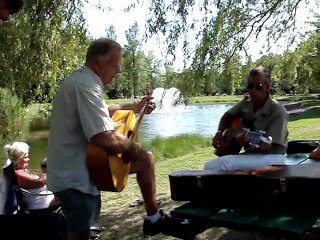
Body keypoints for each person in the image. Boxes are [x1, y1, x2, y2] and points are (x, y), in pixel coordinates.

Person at [46, 38, 186, 240]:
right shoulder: (86, 86)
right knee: (79, 235)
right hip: (73, 178)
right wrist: (132, 148)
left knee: (146, 159)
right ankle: (154, 219)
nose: (118, 71)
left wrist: (135, 108)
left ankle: (153, 219)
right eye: (114, 66)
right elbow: (104, 137)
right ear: (97, 62)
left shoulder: (84, 81)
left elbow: (104, 110)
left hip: (81, 172)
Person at [205, 66, 288, 171]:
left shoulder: (278, 111)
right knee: (213, 164)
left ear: (267, 88)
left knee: (218, 165)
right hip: (252, 154)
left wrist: (247, 141)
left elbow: (269, 147)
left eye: (258, 86)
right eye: (250, 86)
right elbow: (227, 116)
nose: (253, 90)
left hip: (274, 157)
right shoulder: (246, 103)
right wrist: (219, 132)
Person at [4, 141, 60, 211]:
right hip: (41, 204)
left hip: (47, 199)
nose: (28, 159)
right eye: (26, 157)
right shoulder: (18, 174)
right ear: (19, 158)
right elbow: (39, 183)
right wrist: (46, 173)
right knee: (72, 194)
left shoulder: (24, 171)